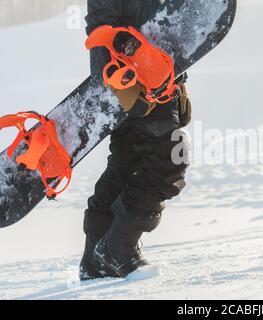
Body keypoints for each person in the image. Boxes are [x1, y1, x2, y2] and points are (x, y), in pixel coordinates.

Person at [80, 0, 191, 280]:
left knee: (128, 159)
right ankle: (117, 251)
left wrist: (180, 74)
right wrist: (115, 53)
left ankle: (95, 256)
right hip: (136, 72)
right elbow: (102, 16)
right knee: (169, 160)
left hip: (141, 70)